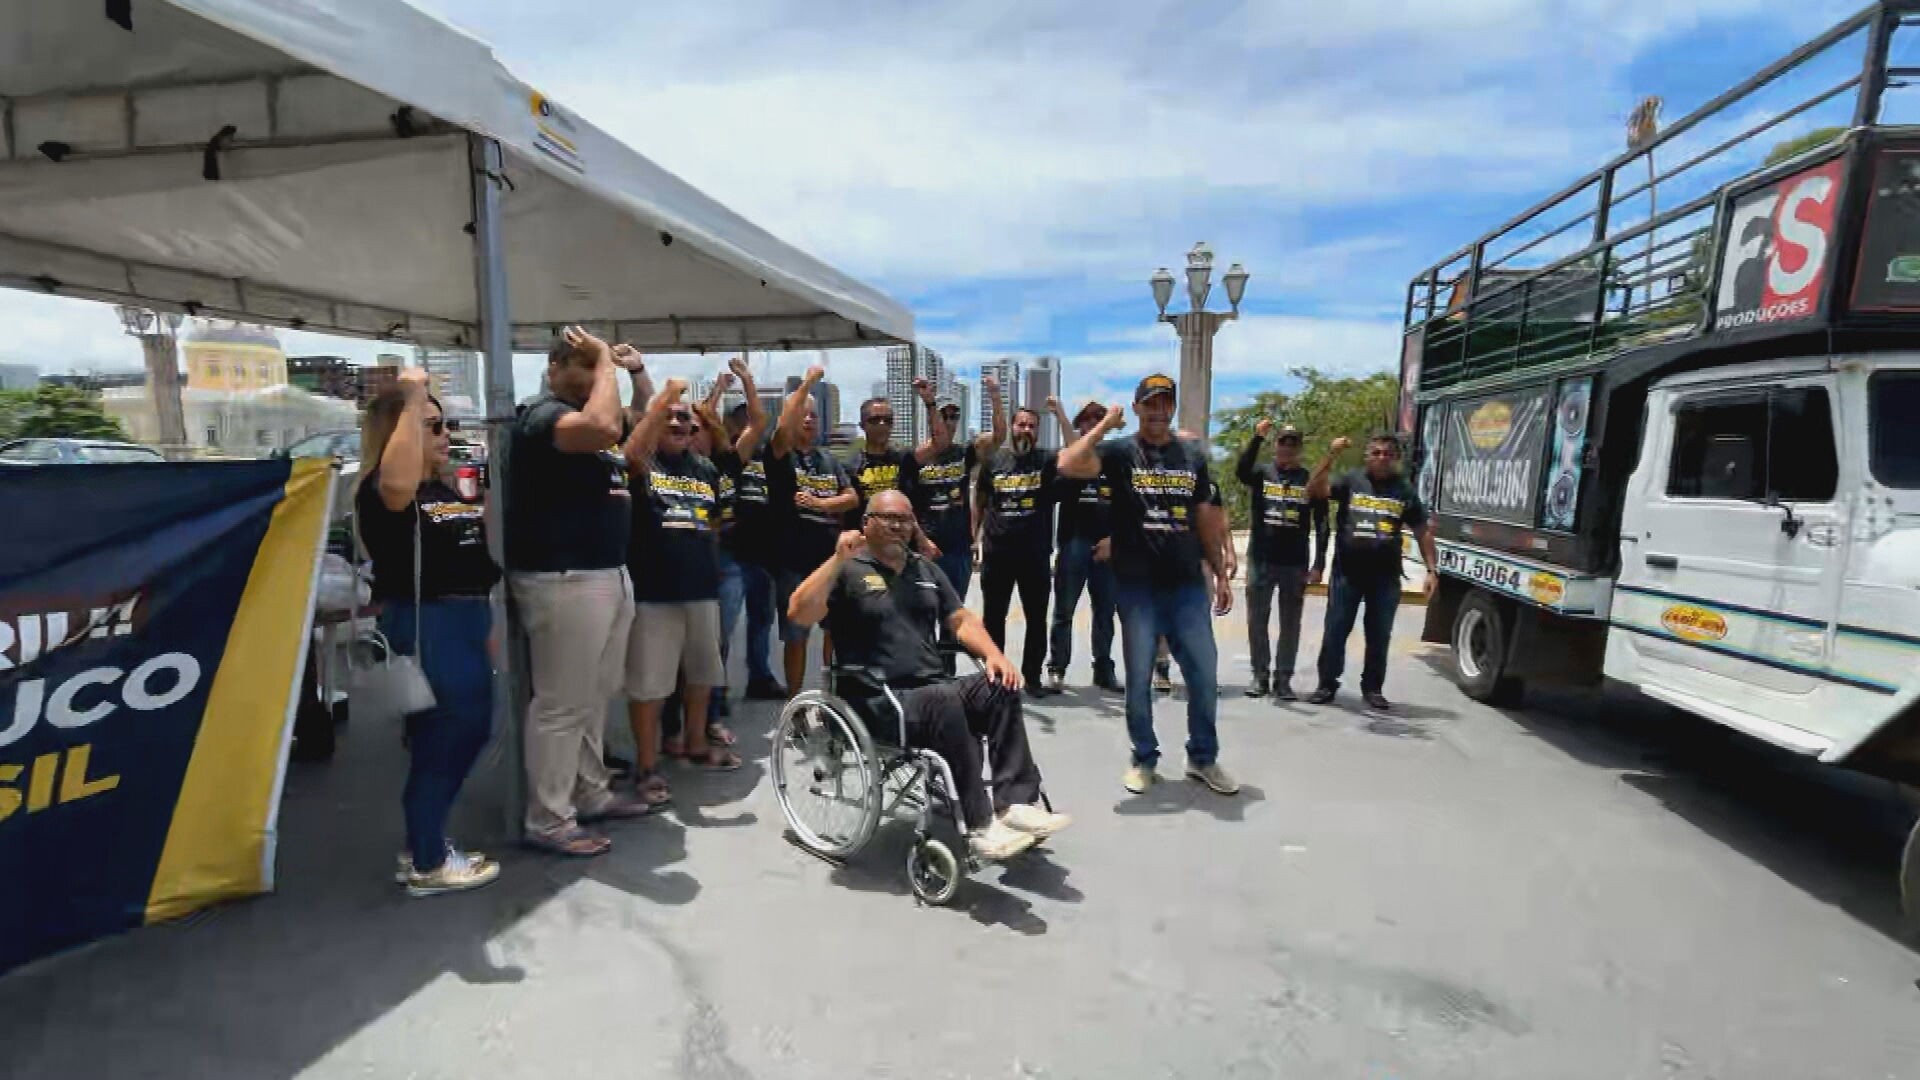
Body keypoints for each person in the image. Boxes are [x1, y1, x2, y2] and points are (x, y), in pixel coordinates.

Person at [786, 490, 1071, 861]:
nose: (897, 526)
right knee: (944, 698)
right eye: (887, 518)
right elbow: (798, 612)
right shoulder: (848, 570)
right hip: (877, 700)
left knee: (998, 686)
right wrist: (837, 559)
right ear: (866, 523)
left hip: (931, 691)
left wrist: (994, 655)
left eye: (905, 520)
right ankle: (979, 823)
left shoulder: (926, 570)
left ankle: (1015, 803)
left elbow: (961, 619)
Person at [505, 327, 654, 858]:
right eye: (584, 365)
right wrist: (606, 366)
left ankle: (590, 792)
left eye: (597, 367)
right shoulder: (544, 416)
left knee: (594, 697)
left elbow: (635, 420)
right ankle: (548, 818)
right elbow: (604, 423)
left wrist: (633, 371)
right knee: (561, 704)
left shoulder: (599, 419)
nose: (595, 376)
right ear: (554, 368)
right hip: (565, 578)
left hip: (607, 572)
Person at [1058, 374, 1238, 796]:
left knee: (1204, 674)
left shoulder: (1191, 453)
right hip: (1137, 584)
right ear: (1137, 408)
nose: (1158, 411)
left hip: (1187, 584)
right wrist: (1105, 426)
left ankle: (1203, 757)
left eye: (1165, 403)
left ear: (1171, 408)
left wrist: (1220, 570)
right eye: (1150, 404)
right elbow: (1068, 463)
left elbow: (1206, 514)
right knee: (1139, 677)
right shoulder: (1120, 452)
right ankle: (1143, 758)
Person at [357, 371, 501, 896]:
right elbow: (395, 484)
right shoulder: (386, 490)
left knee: (453, 734)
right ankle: (428, 859)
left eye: (444, 425)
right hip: (428, 623)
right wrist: (414, 395)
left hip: (463, 620)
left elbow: (473, 557)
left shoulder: (441, 486)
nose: (443, 435)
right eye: (431, 426)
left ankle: (426, 842)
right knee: (450, 734)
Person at [621, 377, 743, 809]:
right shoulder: (643, 462)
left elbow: (711, 522)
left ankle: (693, 744)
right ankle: (648, 766)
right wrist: (661, 401)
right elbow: (627, 455)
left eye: (684, 419)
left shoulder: (705, 469)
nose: (677, 421)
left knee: (701, 676)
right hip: (654, 594)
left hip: (701, 591)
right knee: (650, 685)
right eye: (669, 416)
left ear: (696, 431)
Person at [1305, 434, 1439, 711]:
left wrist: (1431, 569)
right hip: (1347, 574)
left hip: (1385, 577)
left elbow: (1422, 530)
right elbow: (1314, 490)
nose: (1381, 458)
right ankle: (1327, 684)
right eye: (1375, 453)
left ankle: (1373, 688)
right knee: (1335, 631)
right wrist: (1331, 455)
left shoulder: (1404, 490)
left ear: (1395, 459)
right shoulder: (1351, 480)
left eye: (1387, 454)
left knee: (1379, 635)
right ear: (1366, 456)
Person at [767, 366, 857, 697]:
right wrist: (807, 384)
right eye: (802, 416)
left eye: (814, 417)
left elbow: (851, 498)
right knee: (796, 636)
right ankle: (796, 703)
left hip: (830, 563)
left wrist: (819, 505)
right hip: (793, 565)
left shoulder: (829, 460)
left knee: (835, 633)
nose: (808, 421)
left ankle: (832, 697)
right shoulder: (779, 456)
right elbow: (781, 429)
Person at [1236, 419, 1329, 701]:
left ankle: (1283, 680)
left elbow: (1323, 523)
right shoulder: (1262, 474)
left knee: (1290, 623)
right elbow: (1241, 471)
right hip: (1261, 560)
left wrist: (1319, 564)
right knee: (1257, 620)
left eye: (1293, 444)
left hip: (1294, 563)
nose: (1288, 449)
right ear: (1275, 446)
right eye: (1283, 443)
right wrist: (1257, 438)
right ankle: (1259, 676)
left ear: (1300, 449)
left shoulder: (1310, 479)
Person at [975, 404, 1061, 698]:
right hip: (997, 553)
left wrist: (1060, 413)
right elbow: (981, 500)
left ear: (1037, 432)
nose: (1026, 430)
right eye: (1021, 424)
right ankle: (995, 676)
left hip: (1035, 555)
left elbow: (1078, 459)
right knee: (993, 618)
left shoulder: (1047, 462)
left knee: (1037, 619)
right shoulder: (993, 461)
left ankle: (1032, 678)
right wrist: (974, 538)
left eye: (1032, 426)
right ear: (1012, 427)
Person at [1044, 398, 1120, 693]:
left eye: (1098, 419)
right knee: (1064, 611)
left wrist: (1115, 540)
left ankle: (1103, 668)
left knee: (1104, 612)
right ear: (1080, 425)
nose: (1092, 424)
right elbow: (1052, 493)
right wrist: (1061, 414)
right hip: (1074, 542)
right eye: (1087, 420)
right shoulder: (1068, 461)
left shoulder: (1114, 460)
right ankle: (1057, 668)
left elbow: (1129, 505)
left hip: (1107, 546)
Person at [910, 373, 1005, 602]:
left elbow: (999, 437)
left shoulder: (966, 452)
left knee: (954, 614)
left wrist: (995, 397)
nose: (950, 421)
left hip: (958, 547)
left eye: (955, 416)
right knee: (924, 613)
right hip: (927, 544)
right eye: (945, 415)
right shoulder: (918, 456)